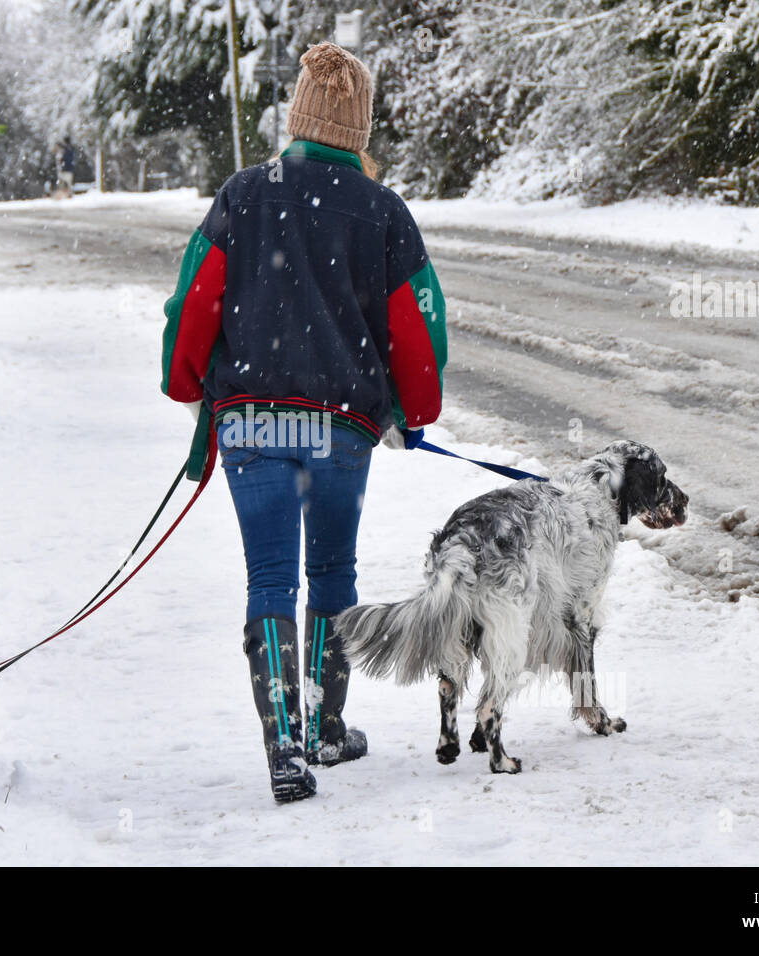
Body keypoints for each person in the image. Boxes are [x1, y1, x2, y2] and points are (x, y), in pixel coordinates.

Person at [160, 42, 446, 804]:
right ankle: (324, 727)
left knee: (270, 578)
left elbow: (195, 302)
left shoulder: (244, 195)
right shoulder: (382, 212)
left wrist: (185, 380)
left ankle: (284, 747)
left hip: (252, 425)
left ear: (297, 120)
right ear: (359, 129)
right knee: (331, 575)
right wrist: (415, 412)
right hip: (339, 432)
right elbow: (418, 330)